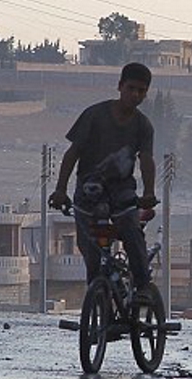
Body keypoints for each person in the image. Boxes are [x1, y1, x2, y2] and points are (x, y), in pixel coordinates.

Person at [49, 62, 158, 297]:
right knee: (90, 249)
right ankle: (97, 296)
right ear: (120, 86)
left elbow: (146, 160)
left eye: (141, 91)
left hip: (122, 192)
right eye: (131, 88)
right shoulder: (94, 115)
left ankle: (143, 290)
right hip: (90, 190)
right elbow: (73, 153)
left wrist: (149, 193)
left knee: (132, 233)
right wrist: (60, 190)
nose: (135, 95)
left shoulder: (143, 125)